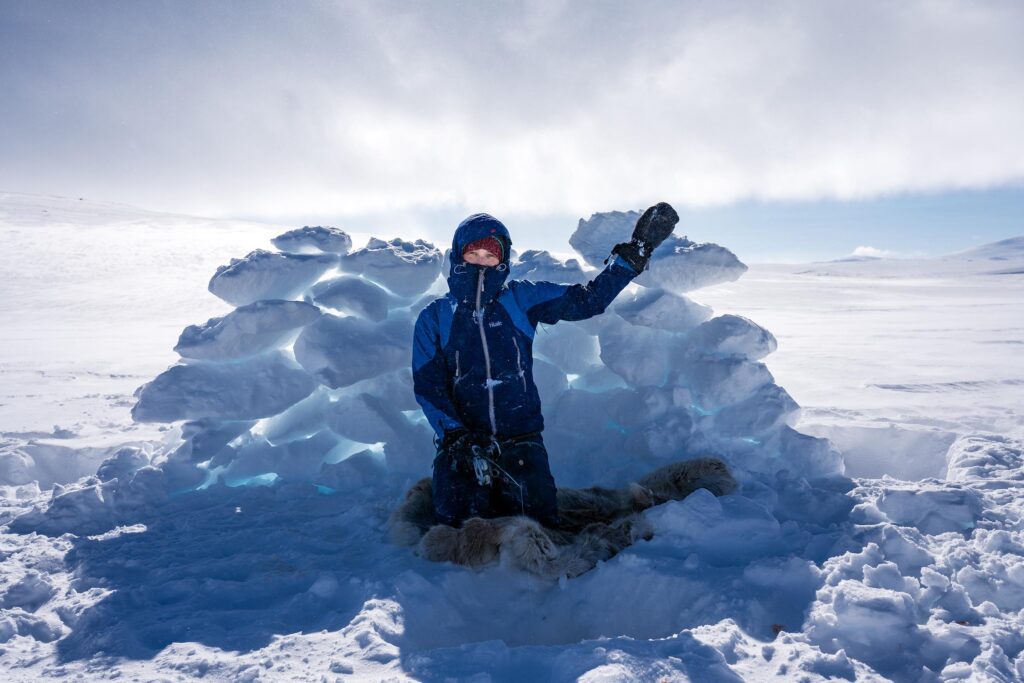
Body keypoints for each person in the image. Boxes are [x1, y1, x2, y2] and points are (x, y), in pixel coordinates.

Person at [412, 203, 679, 528]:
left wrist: (630, 259)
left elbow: (588, 300)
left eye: (490, 255)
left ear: (503, 260)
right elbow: (429, 385)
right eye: (474, 253)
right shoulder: (435, 316)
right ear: (459, 256)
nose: (482, 261)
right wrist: (455, 435)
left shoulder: (520, 299)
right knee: (457, 525)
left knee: (538, 523)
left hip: (519, 439)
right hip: (463, 444)